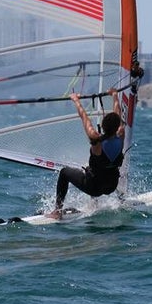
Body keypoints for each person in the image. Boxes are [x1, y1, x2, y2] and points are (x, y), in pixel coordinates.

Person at [53, 88, 125, 219]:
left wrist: (76, 100)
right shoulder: (121, 135)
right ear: (118, 126)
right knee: (92, 168)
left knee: (64, 172)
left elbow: (84, 118)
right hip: (111, 186)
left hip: (94, 188)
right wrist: (115, 95)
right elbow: (118, 115)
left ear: (103, 126)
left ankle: (57, 211)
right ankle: (94, 204)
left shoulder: (96, 140)